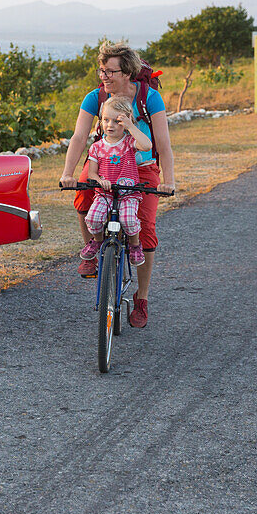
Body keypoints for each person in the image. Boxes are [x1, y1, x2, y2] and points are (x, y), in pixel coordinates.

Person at [59, 41, 176, 328]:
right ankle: (93, 250)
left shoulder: (149, 98)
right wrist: (67, 172)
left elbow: (162, 143)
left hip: (142, 168)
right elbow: (78, 138)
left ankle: (142, 298)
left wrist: (169, 181)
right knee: (83, 197)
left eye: (110, 72)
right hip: (105, 165)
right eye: (102, 71)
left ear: (127, 73)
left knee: (145, 227)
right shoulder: (95, 98)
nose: (104, 77)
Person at [78, 95, 152, 267]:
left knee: (129, 220)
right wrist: (99, 180)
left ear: (125, 123)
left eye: (116, 121)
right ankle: (97, 240)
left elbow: (147, 145)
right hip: (104, 193)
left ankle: (134, 245)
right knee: (93, 218)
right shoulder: (96, 147)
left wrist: (130, 126)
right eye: (106, 120)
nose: (110, 125)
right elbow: (92, 173)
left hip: (129, 193)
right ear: (101, 121)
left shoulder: (129, 142)